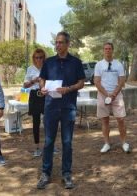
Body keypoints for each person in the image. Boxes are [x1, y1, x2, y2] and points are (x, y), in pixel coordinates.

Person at [36, 31, 85, 190]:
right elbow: (41, 79)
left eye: (60, 42)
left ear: (68, 44)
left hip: (68, 108)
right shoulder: (48, 62)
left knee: (67, 142)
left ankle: (66, 174)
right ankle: (45, 173)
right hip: (50, 107)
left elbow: (81, 82)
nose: (57, 45)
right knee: (49, 142)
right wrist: (42, 88)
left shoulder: (76, 62)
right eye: (56, 42)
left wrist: (68, 89)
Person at [94, 42, 130, 153]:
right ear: (103, 50)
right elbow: (97, 81)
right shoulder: (99, 65)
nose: (107, 50)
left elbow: (122, 81)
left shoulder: (118, 64)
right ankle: (107, 143)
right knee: (105, 120)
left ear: (112, 50)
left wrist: (114, 94)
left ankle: (124, 143)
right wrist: (106, 94)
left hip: (116, 95)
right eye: (105, 49)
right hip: (103, 95)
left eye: (109, 48)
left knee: (121, 119)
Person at [24, 48, 46, 157]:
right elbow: (25, 85)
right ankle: (37, 147)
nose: (39, 59)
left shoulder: (47, 68)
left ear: (44, 58)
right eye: (37, 57)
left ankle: (49, 146)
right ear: (34, 58)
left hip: (46, 95)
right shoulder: (30, 69)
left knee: (49, 122)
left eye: (41, 57)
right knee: (36, 123)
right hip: (34, 96)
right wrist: (34, 81)